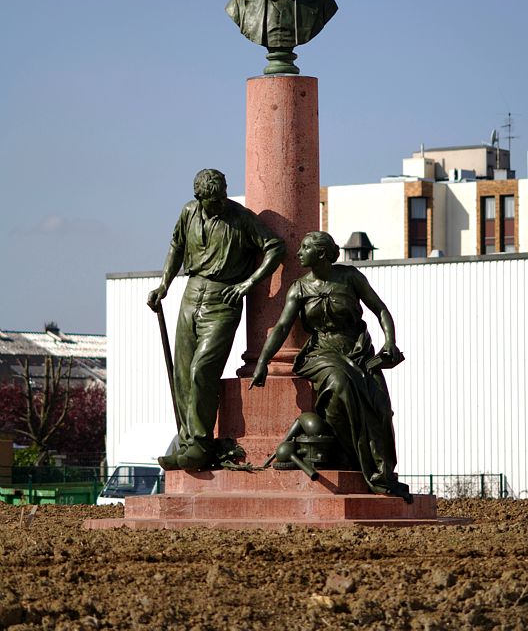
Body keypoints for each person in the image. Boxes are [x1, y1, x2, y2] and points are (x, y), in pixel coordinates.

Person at [250, 231, 411, 501]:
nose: (298, 253)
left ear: (321, 254)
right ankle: (355, 457)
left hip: (358, 350)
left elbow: (380, 309)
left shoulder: (350, 277)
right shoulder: (299, 288)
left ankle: (382, 471)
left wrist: (390, 342)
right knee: (340, 384)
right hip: (321, 351)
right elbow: (280, 328)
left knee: (381, 407)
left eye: (304, 248)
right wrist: (263, 362)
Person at [148, 169, 285, 470]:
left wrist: (249, 283)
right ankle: (188, 443)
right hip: (191, 292)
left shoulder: (240, 216)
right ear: (200, 199)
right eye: (213, 200)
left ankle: (200, 443)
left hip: (223, 298)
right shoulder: (188, 212)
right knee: (183, 373)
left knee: (201, 368)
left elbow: (275, 247)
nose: (220, 203)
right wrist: (164, 285)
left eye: (222, 197)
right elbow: (177, 248)